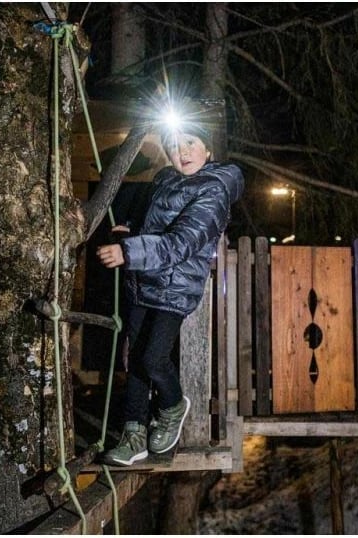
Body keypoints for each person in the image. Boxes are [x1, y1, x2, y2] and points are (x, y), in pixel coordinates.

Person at [96, 120, 244, 466]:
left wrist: (129, 252)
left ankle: (173, 405)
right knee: (134, 361)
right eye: (175, 145)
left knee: (153, 358)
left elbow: (182, 241)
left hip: (175, 286)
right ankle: (133, 435)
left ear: (208, 149)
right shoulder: (165, 179)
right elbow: (156, 225)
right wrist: (129, 230)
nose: (183, 152)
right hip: (144, 279)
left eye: (191, 142)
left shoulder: (214, 189)